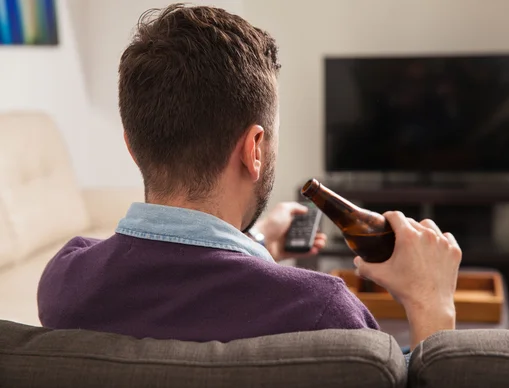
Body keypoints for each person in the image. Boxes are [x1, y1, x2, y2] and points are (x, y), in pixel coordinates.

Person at [37, 4, 461, 354]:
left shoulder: (66, 281)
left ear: (131, 145)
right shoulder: (322, 314)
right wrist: (432, 302)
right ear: (254, 149)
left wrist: (257, 247)